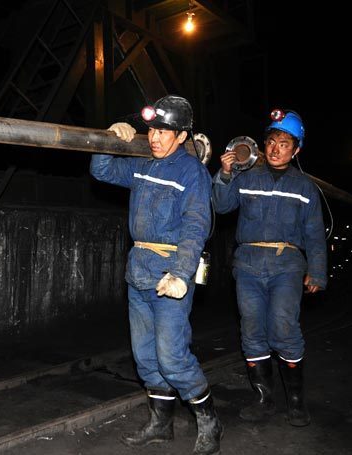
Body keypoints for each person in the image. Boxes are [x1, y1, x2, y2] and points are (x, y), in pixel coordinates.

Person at [90, 95, 222, 454]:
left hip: (170, 276)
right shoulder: (143, 165)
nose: (155, 138)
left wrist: (182, 273)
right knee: (145, 357)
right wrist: (110, 140)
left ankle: (210, 422)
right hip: (139, 274)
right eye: (152, 130)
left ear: (181, 136)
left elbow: (196, 225)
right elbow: (101, 171)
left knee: (172, 358)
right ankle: (160, 425)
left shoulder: (191, 172)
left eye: (164, 131)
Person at [211, 109, 327, 427]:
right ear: (265, 145)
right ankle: (263, 399)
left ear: (297, 149)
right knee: (251, 329)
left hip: (287, 264)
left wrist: (317, 271)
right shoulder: (247, 178)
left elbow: (315, 233)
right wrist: (223, 174)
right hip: (247, 264)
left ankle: (295, 402)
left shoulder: (305, 188)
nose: (276, 148)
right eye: (272, 141)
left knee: (283, 327)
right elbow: (221, 206)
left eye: (284, 143)